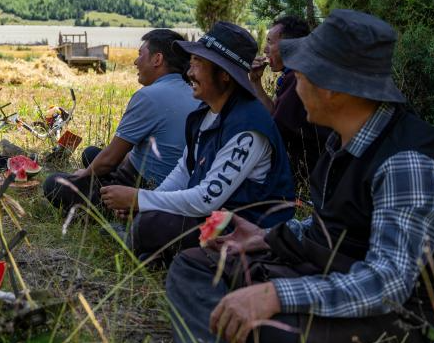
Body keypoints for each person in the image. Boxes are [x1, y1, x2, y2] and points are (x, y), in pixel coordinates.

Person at [164, 10, 434, 343]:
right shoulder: (342, 140)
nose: (293, 87)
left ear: (331, 87)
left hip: (395, 323)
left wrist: (277, 294)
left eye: (301, 76)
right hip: (336, 277)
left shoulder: (406, 163)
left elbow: (387, 285)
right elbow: (336, 227)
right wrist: (264, 238)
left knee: (263, 326)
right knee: (195, 266)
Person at [100, 22, 295, 264]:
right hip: (215, 217)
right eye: (191, 63)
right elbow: (185, 169)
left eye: (198, 64)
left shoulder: (249, 128)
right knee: (150, 223)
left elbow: (206, 199)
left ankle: (161, 250)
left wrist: (140, 199)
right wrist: (146, 204)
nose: (189, 73)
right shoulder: (206, 112)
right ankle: (161, 252)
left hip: (247, 229)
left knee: (151, 226)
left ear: (224, 74)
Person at [43, 29, 198, 212]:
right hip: (177, 185)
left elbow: (110, 160)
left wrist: (83, 175)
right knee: (91, 153)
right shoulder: (194, 93)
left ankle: (112, 211)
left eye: (141, 55)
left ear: (157, 59)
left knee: (53, 183)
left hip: (145, 189)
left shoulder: (149, 96)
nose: (135, 62)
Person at [249, 15, 329, 183]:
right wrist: (256, 81)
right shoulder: (293, 75)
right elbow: (275, 115)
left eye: (270, 42)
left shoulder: (298, 78)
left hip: (307, 178)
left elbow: (273, 131)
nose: (264, 50)